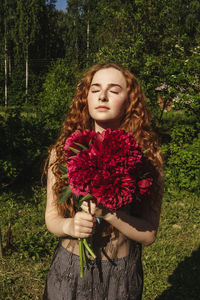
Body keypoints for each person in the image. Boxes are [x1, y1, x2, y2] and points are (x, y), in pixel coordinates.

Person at [43, 63, 164, 300]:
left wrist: (108, 213)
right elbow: (51, 217)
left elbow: (148, 235)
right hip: (69, 271)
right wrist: (68, 226)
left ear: (130, 102)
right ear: (85, 98)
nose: (103, 96)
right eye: (95, 89)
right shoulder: (63, 152)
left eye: (114, 90)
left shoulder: (148, 157)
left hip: (120, 276)